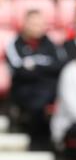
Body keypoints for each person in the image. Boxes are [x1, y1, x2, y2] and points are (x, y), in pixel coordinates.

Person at [6, 9, 64, 149]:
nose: (37, 27)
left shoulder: (51, 44)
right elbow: (20, 71)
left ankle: (48, 143)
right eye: (33, 23)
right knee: (38, 102)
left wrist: (35, 66)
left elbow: (60, 65)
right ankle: (39, 143)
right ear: (25, 24)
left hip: (48, 89)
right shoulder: (14, 44)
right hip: (24, 90)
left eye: (40, 24)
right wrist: (44, 68)